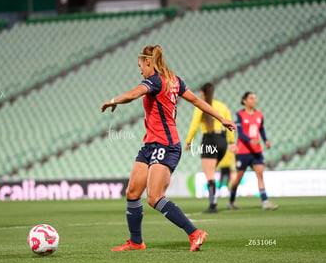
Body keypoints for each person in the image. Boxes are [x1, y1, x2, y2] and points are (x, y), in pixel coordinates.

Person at [101, 45, 236, 252]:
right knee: (132, 191)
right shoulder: (174, 80)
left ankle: (194, 232)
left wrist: (113, 100)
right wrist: (221, 118)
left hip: (166, 144)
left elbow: (135, 94)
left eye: (140, 66)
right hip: (150, 144)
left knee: (154, 197)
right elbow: (197, 101)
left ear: (148, 62)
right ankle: (136, 242)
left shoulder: (155, 81)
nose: (140, 71)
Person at [184, 83, 236, 213]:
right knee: (212, 171)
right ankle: (214, 201)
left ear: (202, 93)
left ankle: (213, 205)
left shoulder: (201, 106)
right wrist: (232, 142)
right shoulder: (222, 106)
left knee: (210, 174)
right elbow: (229, 124)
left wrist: (188, 142)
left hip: (209, 141)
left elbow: (194, 126)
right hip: (222, 141)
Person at [227, 91, 278, 211]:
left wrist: (265, 140)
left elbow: (262, 130)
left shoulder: (259, 114)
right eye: (251, 98)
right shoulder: (239, 115)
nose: (254, 100)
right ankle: (231, 201)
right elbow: (240, 133)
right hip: (243, 151)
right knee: (238, 179)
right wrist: (250, 140)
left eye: (255, 98)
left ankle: (265, 202)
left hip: (257, 151)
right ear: (244, 101)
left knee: (260, 175)